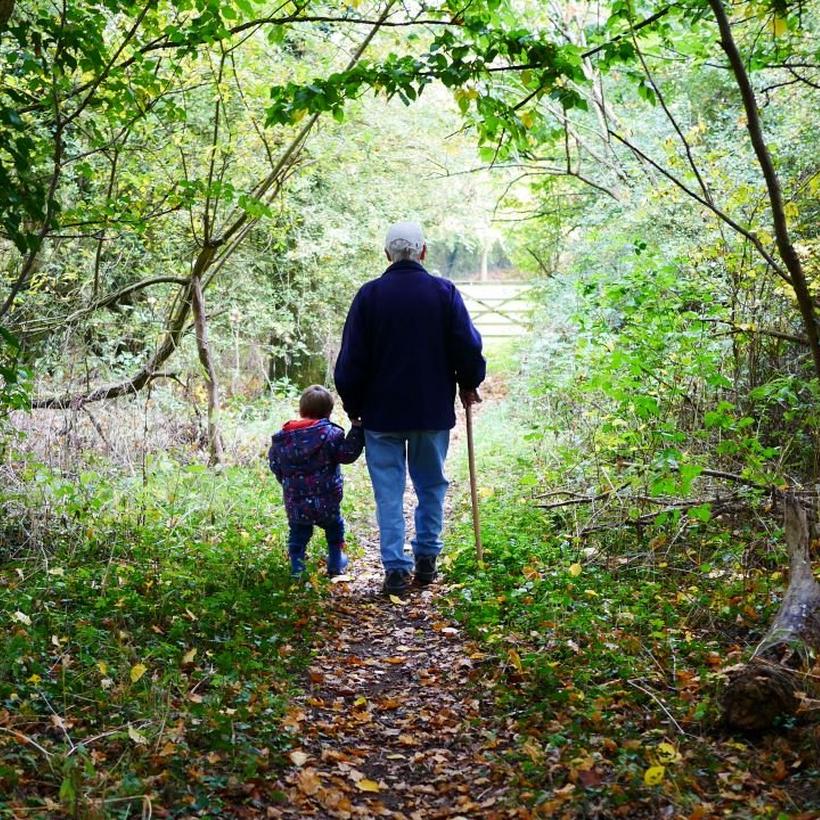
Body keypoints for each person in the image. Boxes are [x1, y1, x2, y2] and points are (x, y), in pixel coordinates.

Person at [334, 221, 486, 596]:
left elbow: (350, 361)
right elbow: (467, 346)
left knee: (388, 491)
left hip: (380, 415)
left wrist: (354, 408)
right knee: (431, 484)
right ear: (423, 251)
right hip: (430, 411)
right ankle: (427, 559)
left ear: (387, 254)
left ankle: (396, 570)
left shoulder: (369, 296)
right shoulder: (443, 292)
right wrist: (470, 382)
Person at [268, 385, 364, 577]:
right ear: (328, 412)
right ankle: (336, 562)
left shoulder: (283, 439)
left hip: (296, 500)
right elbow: (347, 454)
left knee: (298, 533)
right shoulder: (331, 435)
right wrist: (357, 430)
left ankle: (298, 569)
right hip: (327, 498)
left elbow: (275, 465)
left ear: (301, 410)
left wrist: (289, 484)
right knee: (334, 527)